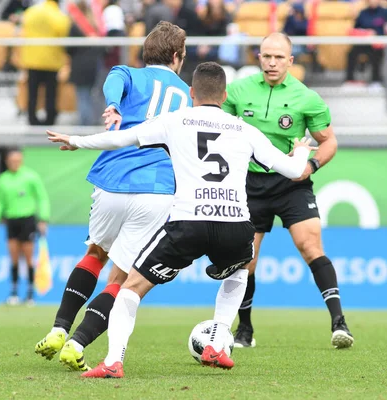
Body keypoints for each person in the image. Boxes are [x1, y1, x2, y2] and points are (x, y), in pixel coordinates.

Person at [46, 61, 317, 378]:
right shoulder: (245, 130)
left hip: (188, 222)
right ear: (225, 95)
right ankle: (217, 340)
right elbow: (296, 171)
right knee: (241, 269)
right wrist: (300, 150)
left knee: (131, 287)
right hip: (234, 225)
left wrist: (78, 141)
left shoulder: (175, 121)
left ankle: (113, 362)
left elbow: (122, 138)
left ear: (191, 93)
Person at [34, 21, 190, 371]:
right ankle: (77, 343)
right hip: (157, 188)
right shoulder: (187, 94)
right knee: (122, 278)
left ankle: (60, 327)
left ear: (145, 53)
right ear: (178, 56)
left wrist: (115, 106)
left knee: (95, 253)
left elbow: (113, 79)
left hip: (112, 179)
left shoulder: (129, 74)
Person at [223, 32, 354, 350]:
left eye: (278, 57)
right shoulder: (237, 91)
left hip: (291, 184)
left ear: (290, 61)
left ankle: (339, 324)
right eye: (266, 56)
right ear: (258, 57)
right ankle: (245, 330)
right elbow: (219, 131)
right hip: (250, 185)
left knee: (310, 245)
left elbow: (329, 141)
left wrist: (310, 167)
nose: (271, 62)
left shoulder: (306, 97)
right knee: (246, 260)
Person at [0, 149, 50, 305]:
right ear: (7, 161)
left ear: (21, 160)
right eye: (12, 160)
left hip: (27, 220)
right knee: (13, 257)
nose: (15, 163)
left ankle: (30, 293)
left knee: (29, 257)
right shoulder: (3, 179)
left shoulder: (31, 176)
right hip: (11, 221)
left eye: (18, 160)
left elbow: (42, 198)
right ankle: (14, 293)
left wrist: (43, 218)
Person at [19, 0, 71, 126]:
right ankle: (50, 118)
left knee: (32, 91)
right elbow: (63, 34)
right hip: (51, 60)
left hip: (32, 59)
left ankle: (32, 118)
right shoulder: (59, 16)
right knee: (50, 92)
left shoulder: (31, 12)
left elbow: (23, 29)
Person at [344, 0, 387, 88]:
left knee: (376, 54)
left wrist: (377, 36)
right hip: (364, 43)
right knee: (351, 53)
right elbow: (356, 29)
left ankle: (376, 81)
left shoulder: (386, 13)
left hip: (379, 45)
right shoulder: (363, 13)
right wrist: (366, 33)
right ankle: (350, 80)